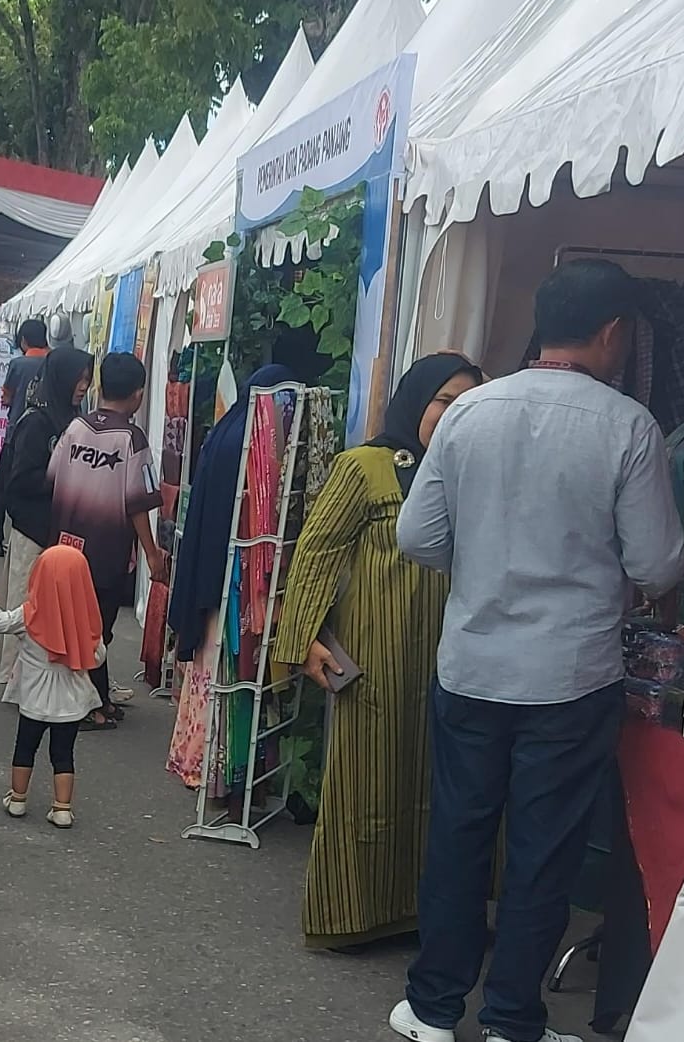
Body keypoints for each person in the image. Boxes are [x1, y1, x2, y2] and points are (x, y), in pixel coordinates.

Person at [388, 261, 684, 1042]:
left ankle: (432, 1006)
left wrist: (483, 563)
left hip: (473, 664)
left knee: (458, 834)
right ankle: (512, 1019)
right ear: (614, 332)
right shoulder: (628, 427)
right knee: (541, 852)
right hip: (570, 678)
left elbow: (417, 537)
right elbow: (657, 566)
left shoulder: (466, 413)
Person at [270, 353, 483, 951]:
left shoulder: (473, 472)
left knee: (441, 784)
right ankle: (349, 915)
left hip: (454, 654)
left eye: (467, 403)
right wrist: (303, 637)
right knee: (367, 779)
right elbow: (317, 552)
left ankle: (433, 914)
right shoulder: (366, 467)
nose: (453, 414)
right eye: (444, 400)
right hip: (378, 653)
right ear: (417, 400)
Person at [48, 351, 164, 729]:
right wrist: (151, 554)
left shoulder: (75, 428)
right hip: (106, 552)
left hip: (65, 546)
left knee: (78, 624)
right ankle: (89, 708)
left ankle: (96, 699)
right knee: (98, 629)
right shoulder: (132, 439)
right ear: (138, 394)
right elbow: (137, 504)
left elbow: (53, 481)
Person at [168, 365, 300, 664]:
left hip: (210, 555)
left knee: (210, 651)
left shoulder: (228, 427)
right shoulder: (251, 438)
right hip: (232, 560)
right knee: (221, 654)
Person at [0, 546, 103, 829]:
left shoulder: (29, 615)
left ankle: (18, 799)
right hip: (71, 704)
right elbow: (98, 656)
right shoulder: (85, 620)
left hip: (33, 700)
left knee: (25, 748)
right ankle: (62, 809)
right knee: (63, 755)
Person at [0, 346, 94, 685]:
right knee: (24, 605)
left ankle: (41, 678)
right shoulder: (36, 423)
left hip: (58, 532)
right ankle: (15, 676)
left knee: (51, 609)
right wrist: (60, 479)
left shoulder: (75, 421)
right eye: (78, 379)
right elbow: (19, 480)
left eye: (87, 379)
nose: (83, 386)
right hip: (31, 530)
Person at [0, 318, 51, 555]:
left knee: (1, 488)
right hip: (45, 438)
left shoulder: (18, 364)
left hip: (15, 434)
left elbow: (7, 397)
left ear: (23, 340)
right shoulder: (53, 362)